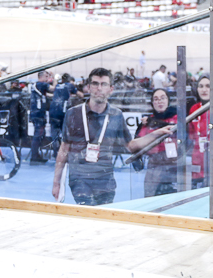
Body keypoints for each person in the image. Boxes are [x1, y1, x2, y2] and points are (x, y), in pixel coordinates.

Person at [53, 66, 124, 206]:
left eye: (104, 84)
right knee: (87, 214)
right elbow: (64, 149)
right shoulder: (73, 114)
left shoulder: (116, 115)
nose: (99, 88)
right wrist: (56, 182)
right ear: (88, 87)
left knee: (104, 219)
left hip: (106, 180)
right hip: (80, 178)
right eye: (95, 84)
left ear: (111, 89)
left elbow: (129, 145)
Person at [127, 88, 182, 197]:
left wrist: (154, 122)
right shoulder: (147, 122)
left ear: (168, 100)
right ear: (152, 103)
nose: (159, 101)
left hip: (175, 167)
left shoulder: (178, 118)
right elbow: (137, 143)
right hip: (154, 168)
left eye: (163, 98)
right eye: (156, 99)